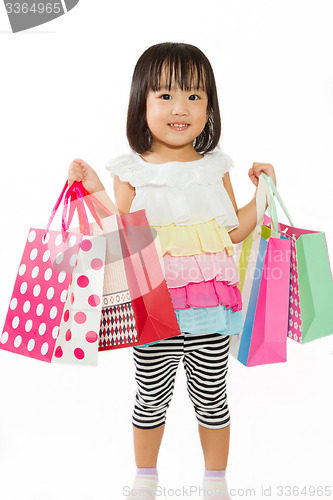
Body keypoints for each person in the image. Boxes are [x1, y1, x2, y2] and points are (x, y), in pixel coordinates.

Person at [68, 42, 277, 500]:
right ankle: (145, 477)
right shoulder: (131, 170)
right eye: (164, 96)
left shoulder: (216, 167)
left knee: (212, 399)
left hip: (209, 309)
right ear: (140, 101)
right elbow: (120, 234)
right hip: (154, 309)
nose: (180, 108)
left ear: (210, 106)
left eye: (194, 96)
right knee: (150, 399)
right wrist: (95, 187)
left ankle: (215, 482)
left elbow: (234, 231)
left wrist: (265, 193)